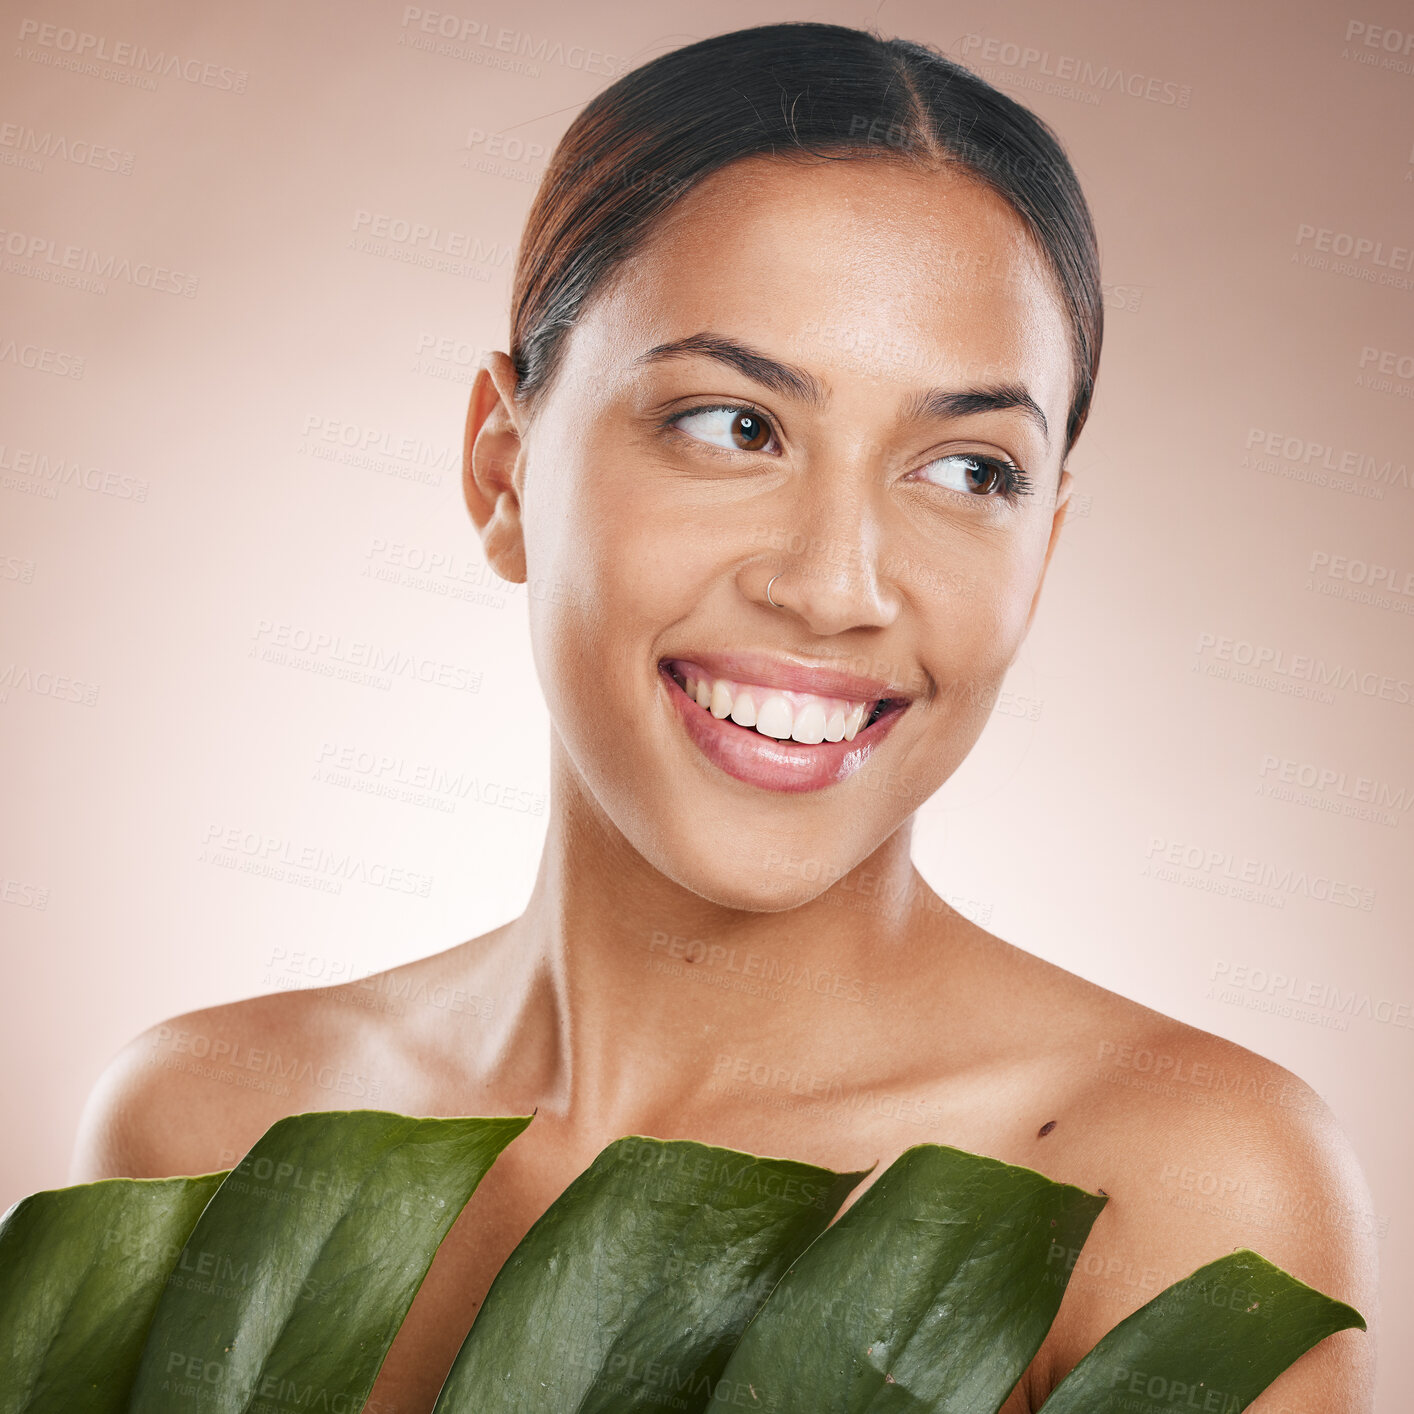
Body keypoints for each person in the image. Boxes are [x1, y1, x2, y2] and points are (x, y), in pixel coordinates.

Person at [69, 21, 1378, 1412]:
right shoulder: (202, 1129)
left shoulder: (1172, 1184)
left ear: (1042, 545)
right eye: (731, 425)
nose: (833, 586)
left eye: (966, 468)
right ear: (503, 471)